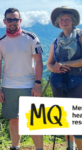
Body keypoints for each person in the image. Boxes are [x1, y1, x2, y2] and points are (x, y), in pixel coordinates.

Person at [0, 8, 44, 150]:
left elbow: (39, 62)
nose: (12, 22)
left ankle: (39, 148)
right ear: (4, 21)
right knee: (14, 121)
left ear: (20, 21)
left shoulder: (31, 37)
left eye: (15, 19)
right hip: (9, 86)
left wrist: (37, 84)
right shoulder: (0, 42)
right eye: (9, 19)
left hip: (30, 86)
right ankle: (15, 147)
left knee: (34, 121)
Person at [47, 6, 82, 150]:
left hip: (78, 83)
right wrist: (55, 68)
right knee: (64, 119)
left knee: (77, 121)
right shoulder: (55, 42)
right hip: (59, 84)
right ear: (57, 22)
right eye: (61, 19)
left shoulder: (80, 37)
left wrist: (64, 64)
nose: (64, 21)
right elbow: (49, 64)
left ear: (73, 21)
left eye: (67, 19)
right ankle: (70, 147)